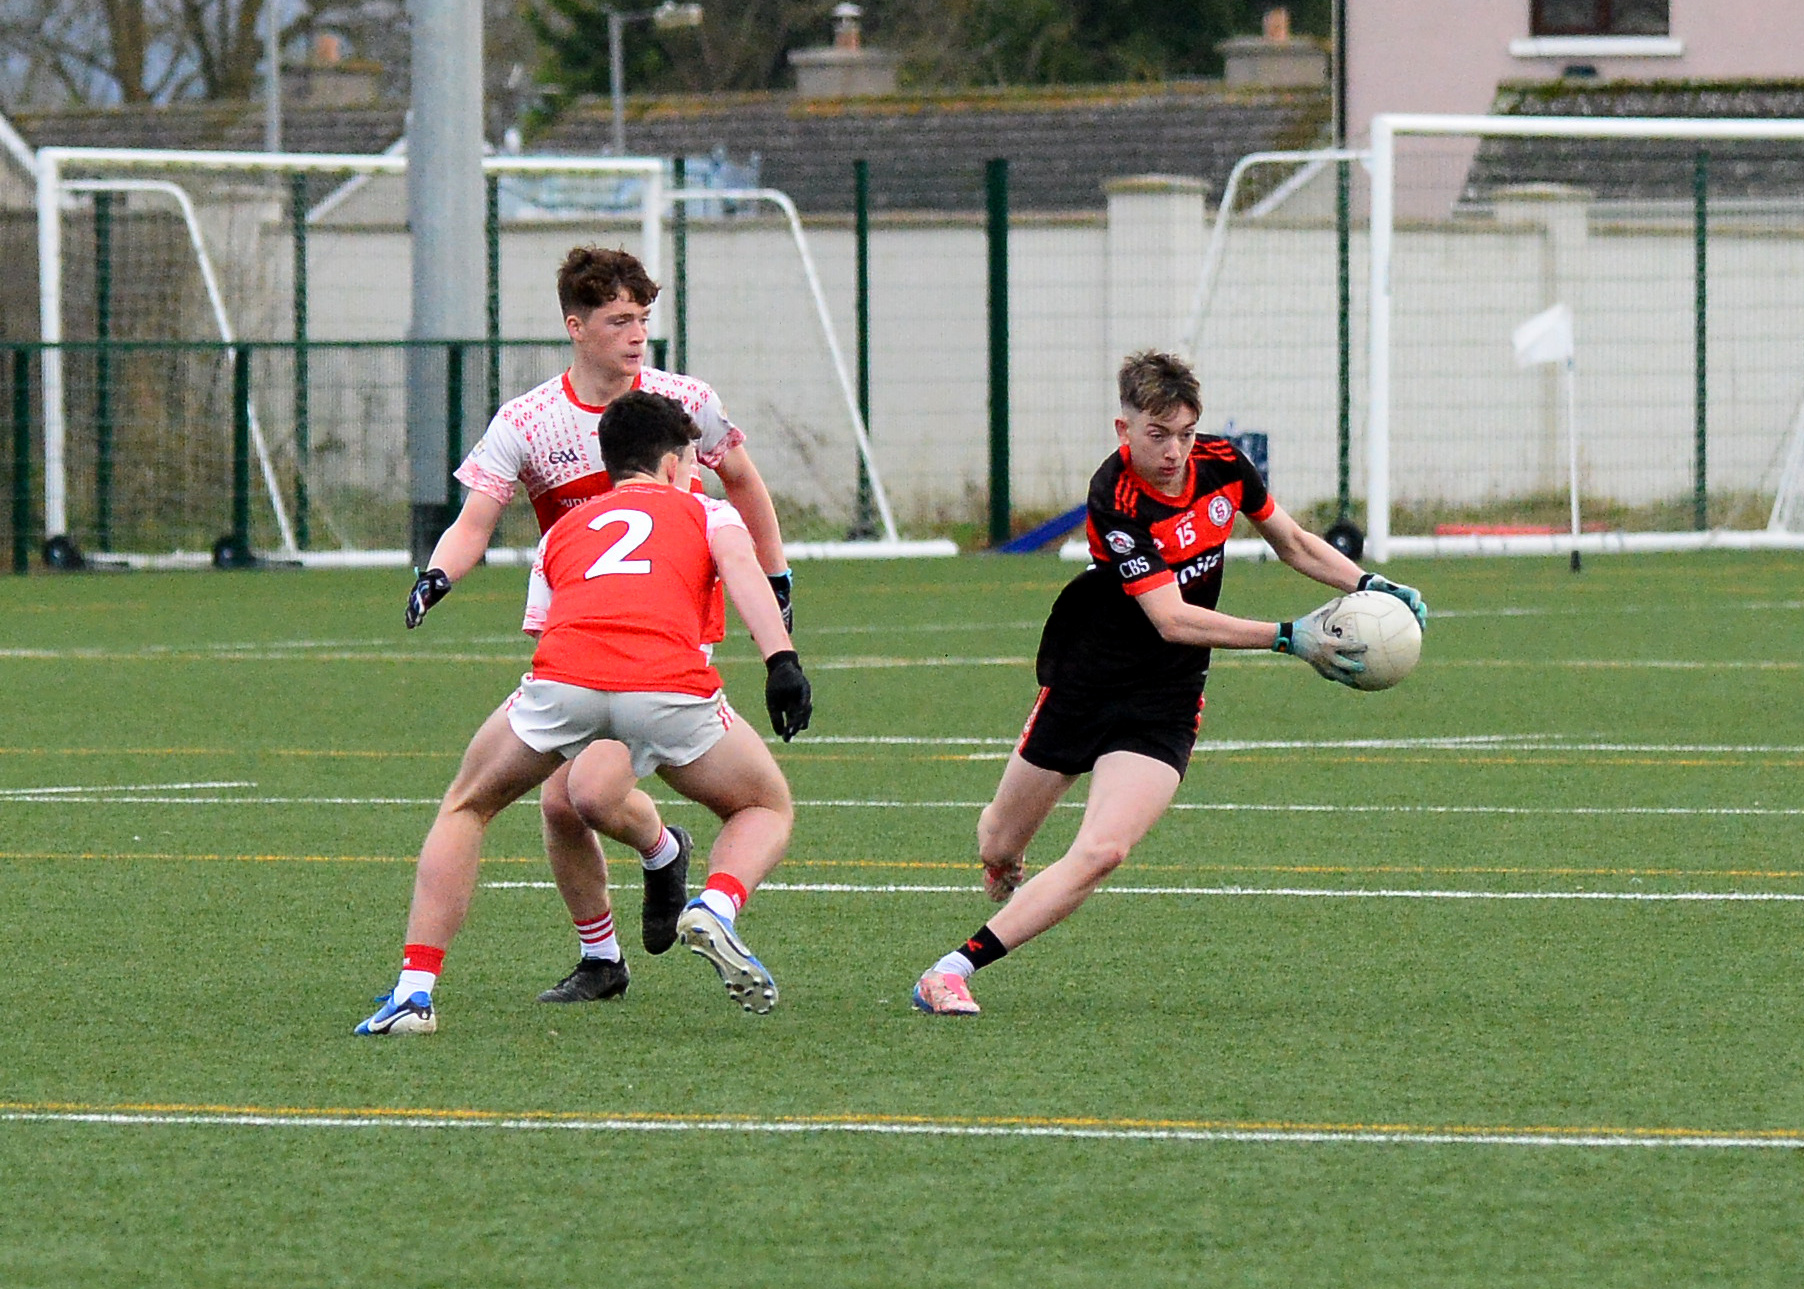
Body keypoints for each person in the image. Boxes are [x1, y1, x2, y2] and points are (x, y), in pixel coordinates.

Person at [910, 350, 1428, 1016]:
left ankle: (950, 971)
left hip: (1167, 699)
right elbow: (1172, 618)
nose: (1174, 451)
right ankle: (1002, 854)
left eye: (1185, 433)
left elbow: (1293, 542)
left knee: (1103, 849)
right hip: (1087, 682)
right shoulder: (1115, 497)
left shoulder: (1223, 464)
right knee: (999, 840)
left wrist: (1370, 583)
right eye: (1157, 434)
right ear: (1124, 429)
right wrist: (1286, 636)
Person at [402, 245, 796, 1005]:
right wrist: (437, 573)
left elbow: (744, 484)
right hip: (575, 620)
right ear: (575, 327)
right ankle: (628, 914)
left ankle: (633, 903)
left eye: (643, 318)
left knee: (568, 796)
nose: (637, 334)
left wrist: (776, 576)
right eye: (619, 320)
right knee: (569, 801)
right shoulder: (528, 419)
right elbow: (476, 519)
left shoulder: (684, 401)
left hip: (667, 627)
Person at [356, 391, 812, 1035]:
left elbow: (547, 629)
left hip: (565, 681)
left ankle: (414, 991)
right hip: (668, 687)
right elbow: (744, 573)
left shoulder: (562, 533)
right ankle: (717, 904)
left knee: (467, 805)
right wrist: (781, 662)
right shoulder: (708, 512)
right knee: (763, 806)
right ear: (675, 462)